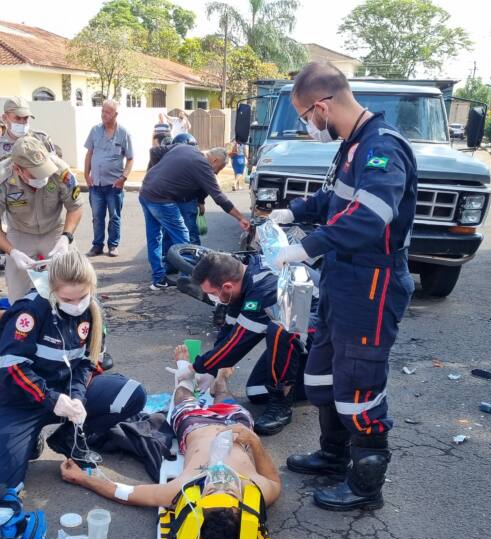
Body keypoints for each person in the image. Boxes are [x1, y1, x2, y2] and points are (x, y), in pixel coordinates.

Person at [266, 62, 417, 512]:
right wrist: (293, 212)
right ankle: (333, 455)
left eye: (307, 116)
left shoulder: (382, 148)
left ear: (323, 105)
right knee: (322, 375)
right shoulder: (354, 145)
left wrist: (305, 248)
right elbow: (336, 199)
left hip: (372, 282)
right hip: (343, 279)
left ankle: (366, 486)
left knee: (359, 383)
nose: (309, 125)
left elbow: (370, 217)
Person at [0, 249, 147, 488]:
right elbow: (12, 367)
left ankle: (69, 438)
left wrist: (76, 398)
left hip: (66, 392)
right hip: (23, 400)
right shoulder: (30, 311)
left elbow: (87, 363)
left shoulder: (93, 311)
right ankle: (30, 437)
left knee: (132, 394)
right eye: (67, 300)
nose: (77, 306)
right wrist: (50, 398)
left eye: (83, 297)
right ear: (51, 290)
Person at [60, 345, 281, 511]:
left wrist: (82, 478)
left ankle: (184, 371)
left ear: (201, 498)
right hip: (236, 425)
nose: (221, 480)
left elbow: (124, 492)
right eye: (230, 490)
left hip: (195, 425)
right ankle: (221, 379)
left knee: (182, 396)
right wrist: (254, 442)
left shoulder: (183, 490)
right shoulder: (258, 491)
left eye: (213, 488)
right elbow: (274, 481)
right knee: (224, 397)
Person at [190, 250, 316, 435]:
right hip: (302, 333)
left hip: (330, 329)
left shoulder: (262, 289)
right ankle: (318, 384)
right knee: (257, 391)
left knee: (280, 329)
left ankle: (282, 405)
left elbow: (236, 345)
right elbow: (228, 331)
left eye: (211, 293)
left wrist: (196, 367)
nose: (211, 298)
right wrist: (211, 370)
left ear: (226, 286)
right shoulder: (243, 279)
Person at [0, 136, 84, 301]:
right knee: (18, 294)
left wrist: (66, 237)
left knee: (73, 283)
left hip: (55, 231)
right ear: (18, 169)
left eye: (43, 169)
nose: (42, 176)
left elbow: (75, 206)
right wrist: (12, 251)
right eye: (35, 173)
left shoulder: (60, 171)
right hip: (20, 234)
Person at [139, 144, 250, 291]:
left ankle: (158, 279)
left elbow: (154, 151)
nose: (217, 173)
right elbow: (219, 197)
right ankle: (187, 281)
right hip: (162, 200)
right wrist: (240, 218)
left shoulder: (185, 148)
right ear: (215, 160)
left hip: (146, 191)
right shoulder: (203, 166)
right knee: (184, 239)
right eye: (220, 168)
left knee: (154, 238)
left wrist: (154, 173)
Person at [84, 99, 134, 258]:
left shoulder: (124, 133)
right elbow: (89, 153)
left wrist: (123, 178)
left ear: (115, 114)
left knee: (114, 217)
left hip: (114, 186)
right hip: (96, 184)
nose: (103, 115)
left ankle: (113, 245)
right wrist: (86, 175)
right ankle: (97, 246)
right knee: (97, 217)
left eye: (107, 112)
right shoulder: (95, 130)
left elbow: (130, 158)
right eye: (102, 111)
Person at [0, 97, 56, 172]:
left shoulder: (42, 139)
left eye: (25, 118)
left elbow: (54, 169)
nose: (22, 122)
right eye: (17, 118)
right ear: (5, 118)